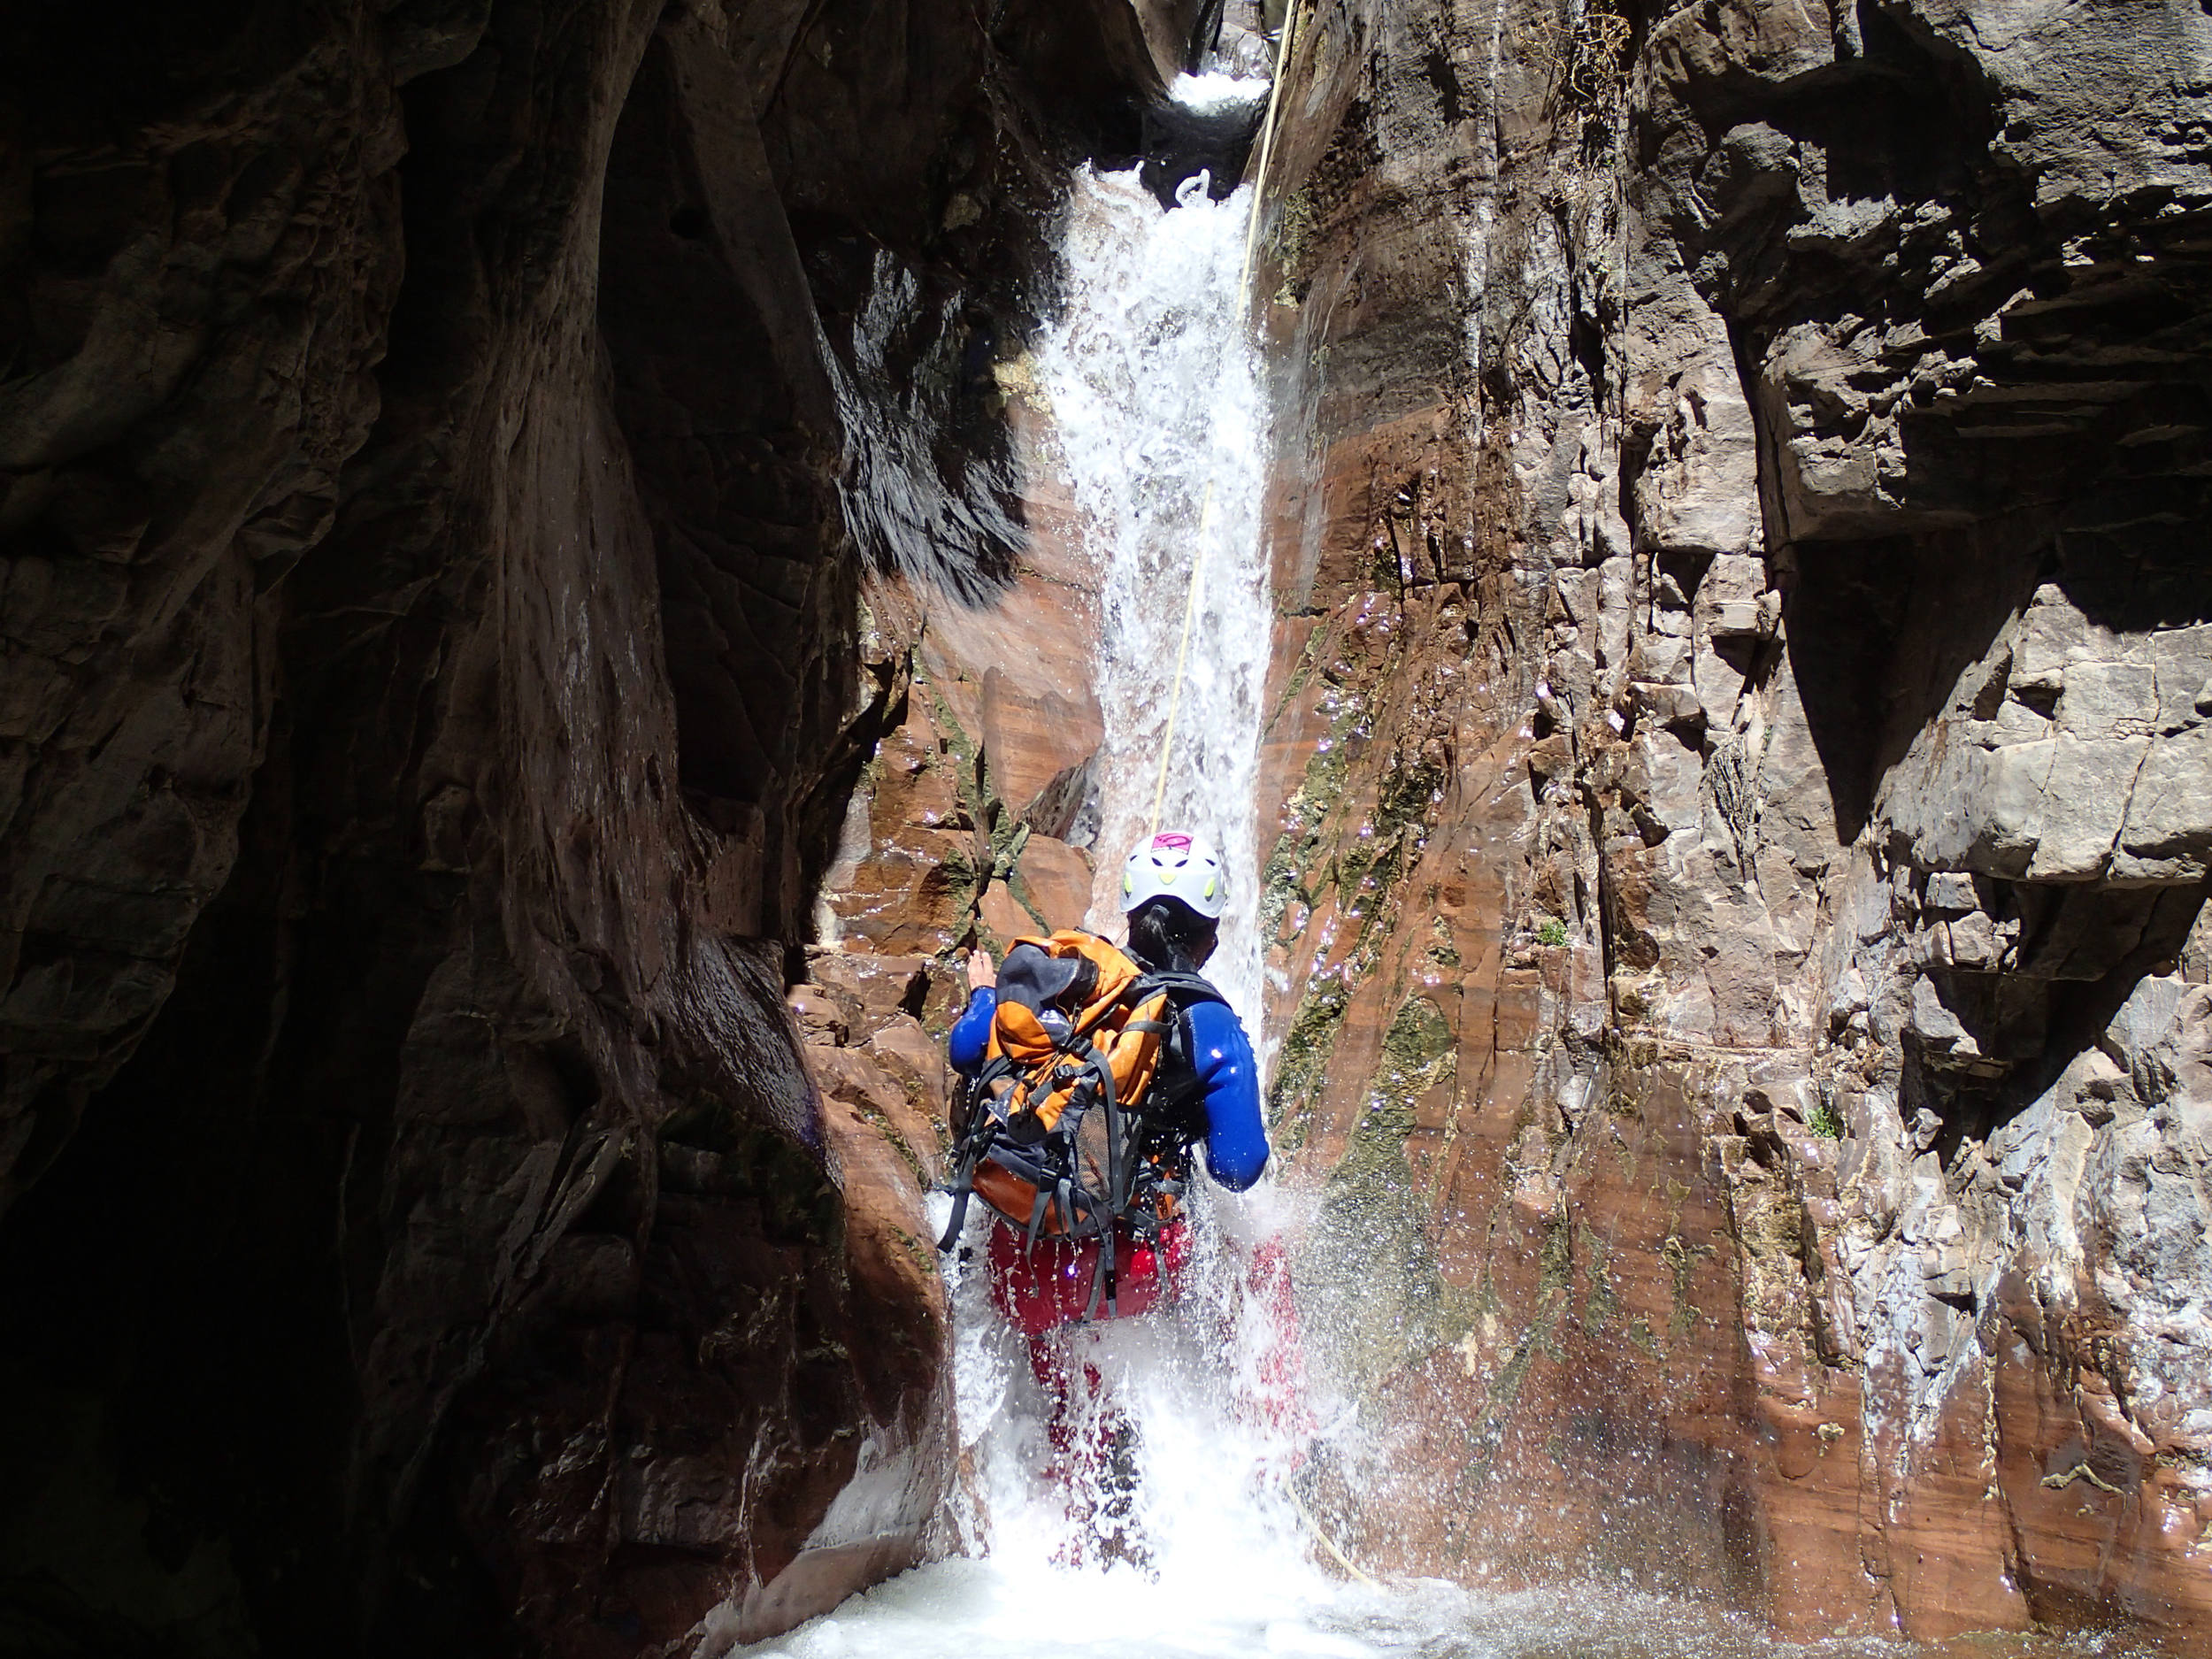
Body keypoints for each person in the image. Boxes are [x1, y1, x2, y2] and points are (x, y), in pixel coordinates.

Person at [945, 830, 1272, 1553]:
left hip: (1019, 1257)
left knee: (1058, 1342)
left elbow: (967, 1048)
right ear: (1212, 938)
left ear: (1126, 916)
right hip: (1126, 1276)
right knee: (1263, 1251)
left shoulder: (1065, 986)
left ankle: (1057, 1486)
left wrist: (979, 994)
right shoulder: (1208, 1021)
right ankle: (1267, 1439)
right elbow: (1239, 1167)